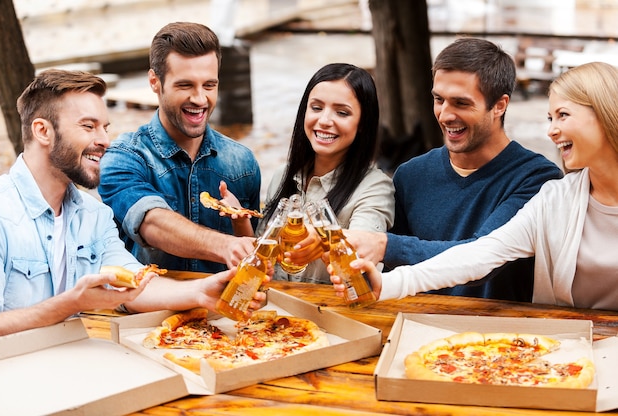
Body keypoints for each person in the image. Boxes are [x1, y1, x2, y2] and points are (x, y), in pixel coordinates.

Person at [0, 69, 266, 338]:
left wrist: (201, 291)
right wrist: (71, 303)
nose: (104, 141)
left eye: (105, 127)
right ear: (42, 131)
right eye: (88, 126)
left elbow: (135, 284)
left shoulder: (94, 215)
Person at [332, 61, 618, 311]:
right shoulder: (555, 199)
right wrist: (387, 283)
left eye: (563, 115)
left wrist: (385, 247)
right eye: (550, 117)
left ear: (605, 111)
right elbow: (480, 255)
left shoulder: (537, 177)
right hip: (575, 348)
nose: (551, 130)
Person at [344, 37, 563, 301]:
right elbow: (392, 274)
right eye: (439, 99)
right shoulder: (410, 175)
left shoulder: (538, 179)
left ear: (499, 106)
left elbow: (482, 256)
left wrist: (386, 245)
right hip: (415, 331)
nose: (445, 115)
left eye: (461, 103)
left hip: (503, 339)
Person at [99, 22, 261, 274]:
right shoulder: (123, 157)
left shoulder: (244, 162)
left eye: (209, 85)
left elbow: (254, 253)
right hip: (150, 310)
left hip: (224, 312)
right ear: (154, 82)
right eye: (185, 85)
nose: (199, 99)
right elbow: (152, 222)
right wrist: (226, 245)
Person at [261, 63, 394, 284]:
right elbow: (262, 259)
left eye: (342, 113)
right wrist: (239, 220)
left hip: (332, 312)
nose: (324, 121)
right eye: (316, 108)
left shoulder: (375, 187)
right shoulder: (282, 176)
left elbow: (360, 261)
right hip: (273, 310)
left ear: (363, 123)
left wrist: (322, 240)